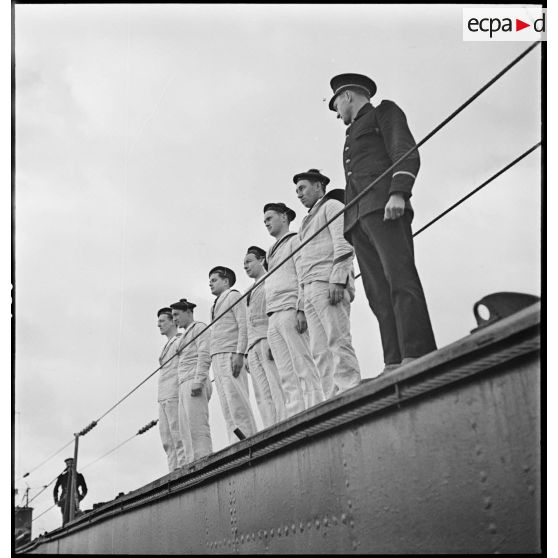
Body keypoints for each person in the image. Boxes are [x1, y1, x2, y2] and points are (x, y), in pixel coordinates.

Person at [328, 73, 437, 374]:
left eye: (336, 104)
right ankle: (394, 360)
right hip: (359, 219)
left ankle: (417, 351)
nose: (336, 113)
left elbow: (404, 150)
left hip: (385, 207)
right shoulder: (350, 135)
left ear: (347, 96)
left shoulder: (383, 112)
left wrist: (399, 192)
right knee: (377, 291)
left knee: (399, 278)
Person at [294, 168, 362, 398]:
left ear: (318, 186)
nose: (299, 194)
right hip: (310, 288)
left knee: (338, 339)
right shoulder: (305, 222)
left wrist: (339, 278)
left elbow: (344, 243)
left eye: (302, 188)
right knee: (319, 351)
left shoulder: (332, 207)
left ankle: (350, 388)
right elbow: (303, 264)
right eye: (296, 191)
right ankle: (331, 397)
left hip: (327, 282)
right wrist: (301, 304)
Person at [263, 203, 324, 415]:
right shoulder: (270, 252)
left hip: (290, 307)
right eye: (265, 221)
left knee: (303, 363)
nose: (267, 223)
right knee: (285, 373)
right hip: (273, 314)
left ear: (284, 217)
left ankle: (316, 407)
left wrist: (301, 308)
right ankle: (296, 414)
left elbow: (301, 272)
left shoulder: (295, 239)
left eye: (270, 218)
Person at [208, 266, 257, 443]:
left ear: (226, 280)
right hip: (217, 355)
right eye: (210, 281)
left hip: (230, 352)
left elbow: (243, 325)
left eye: (214, 280)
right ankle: (235, 440)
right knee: (226, 403)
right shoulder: (215, 304)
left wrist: (239, 353)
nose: (210, 284)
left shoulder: (233, 296)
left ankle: (248, 437)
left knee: (237, 399)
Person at [243, 246, 286, 427]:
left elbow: (271, 309)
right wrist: (246, 351)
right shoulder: (248, 290)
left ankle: (284, 420)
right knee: (261, 392)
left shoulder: (270, 280)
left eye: (249, 261)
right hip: (253, 344)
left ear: (261, 260)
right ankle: (270, 425)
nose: (245, 266)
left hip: (266, 337)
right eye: (244, 263)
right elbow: (246, 322)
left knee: (276, 383)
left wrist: (271, 338)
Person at [170, 298, 213, 463]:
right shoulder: (182, 337)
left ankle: (203, 458)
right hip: (183, 383)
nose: (174, 319)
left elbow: (204, 353)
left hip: (194, 379)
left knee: (197, 425)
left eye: (177, 314)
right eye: (172, 316)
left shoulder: (199, 327)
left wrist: (199, 380)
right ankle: (191, 461)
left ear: (188, 312)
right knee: (185, 428)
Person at [156, 307, 187, 471]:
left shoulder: (179, 341)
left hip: (174, 392)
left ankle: (182, 468)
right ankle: (173, 470)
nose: (158, 324)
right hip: (163, 395)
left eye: (162, 321)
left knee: (178, 434)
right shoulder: (167, 344)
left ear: (172, 321)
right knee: (167, 440)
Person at [53, 457, 87, 524]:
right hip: (64, 499)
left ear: (74, 465)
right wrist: (56, 501)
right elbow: (55, 489)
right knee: (65, 519)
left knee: (74, 517)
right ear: (66, 465)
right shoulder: (62, 476)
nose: (70, 466)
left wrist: (80, 497)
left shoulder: (79, 476)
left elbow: (85, 489)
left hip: (74, 499)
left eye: (71, 464)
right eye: (68, 464)